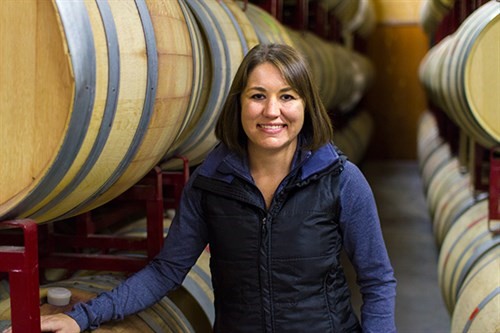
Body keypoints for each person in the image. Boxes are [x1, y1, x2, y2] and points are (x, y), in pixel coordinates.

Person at [3, 43, 396, 333]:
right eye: (258, 96)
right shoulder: (210, 184)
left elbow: (377, 281)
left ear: (306, 107)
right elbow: (166, 272)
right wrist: (82, 317)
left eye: (287, 97)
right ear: (239, 105)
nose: (272, 111)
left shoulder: (341, 181)